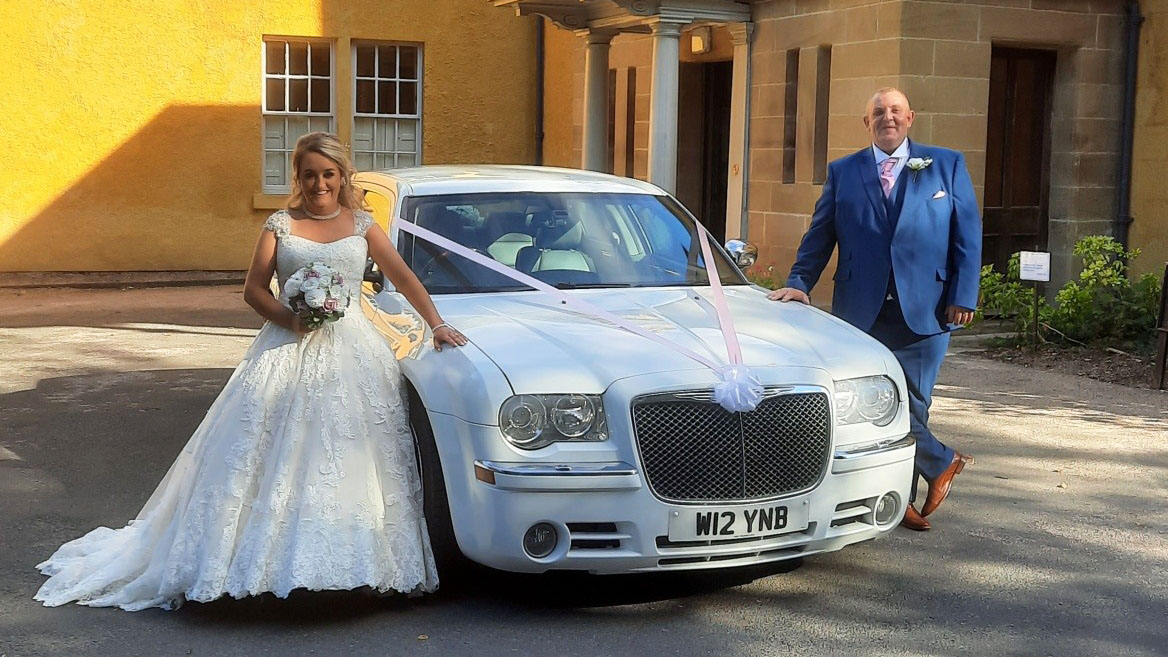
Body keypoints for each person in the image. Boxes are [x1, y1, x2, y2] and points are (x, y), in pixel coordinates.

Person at [34, 132, 467, 610]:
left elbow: (404, 277)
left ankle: (354, 565)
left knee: (352, 457)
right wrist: (291, 318)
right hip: (286, 345)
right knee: (269, 450)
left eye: (328, 173)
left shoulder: (363, 225)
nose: (319, 183)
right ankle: (259, 561)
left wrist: (438, 324)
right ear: (298, 177)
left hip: (354, 353)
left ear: (343, 176)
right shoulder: (280, 224)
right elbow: (254, 290)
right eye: (309, 174)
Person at [768, 88, 979, 531]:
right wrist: (798, 283)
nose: (888, 118)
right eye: (878, 112)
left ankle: (905, 491)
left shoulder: (946, 163)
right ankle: (936, 465)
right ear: (866, 123)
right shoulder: (844, 172)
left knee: (914, 404)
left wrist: (964, 294)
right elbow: (820, 233)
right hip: (859, 312)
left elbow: (967, 233)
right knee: (865, 404)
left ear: (910, 118)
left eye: (895, 111)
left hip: (927, 306)